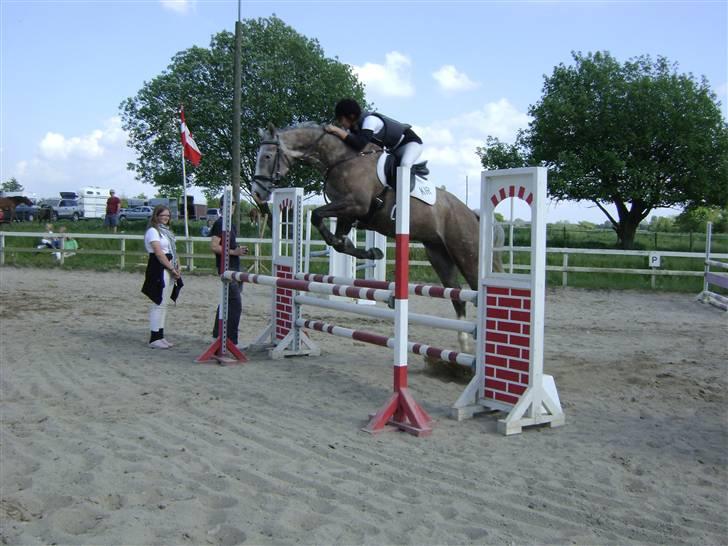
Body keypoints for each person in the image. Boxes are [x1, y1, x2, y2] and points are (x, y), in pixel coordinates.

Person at [324, 98, 424, 181]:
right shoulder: (355, 128)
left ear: (351, 116)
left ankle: (404, 205)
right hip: (393, 150)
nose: (340, 124)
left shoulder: (370, 121)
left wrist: (336, 130)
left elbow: (359, 144)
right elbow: (351, 145)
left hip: (410, 143)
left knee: (404, 165)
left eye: (341, 120)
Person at [141, 205, 183, 349]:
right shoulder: (153, 231)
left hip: (170, 265)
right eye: (163, 215)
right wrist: (170, 268)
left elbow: (173, 250)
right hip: (159, 267)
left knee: (164, 304)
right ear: (156, 216)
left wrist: (178, 266)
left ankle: (160, 335)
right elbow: (159, 253)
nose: (165, 218)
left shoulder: (167, 232)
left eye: (167, 216)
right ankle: (154, 337)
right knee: (158, 303)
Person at [210, 196, 248, 346]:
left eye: (233, 205)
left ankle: (217, 334)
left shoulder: (231, 224)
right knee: (235, 304)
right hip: (226, 268)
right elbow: (214, 246)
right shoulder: (220, 223)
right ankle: (231, 339)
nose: (232, 208)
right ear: (222, 206)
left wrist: (238, 250)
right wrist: (234, 252)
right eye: (230, 205)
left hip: (235, 267)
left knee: (226, 301)